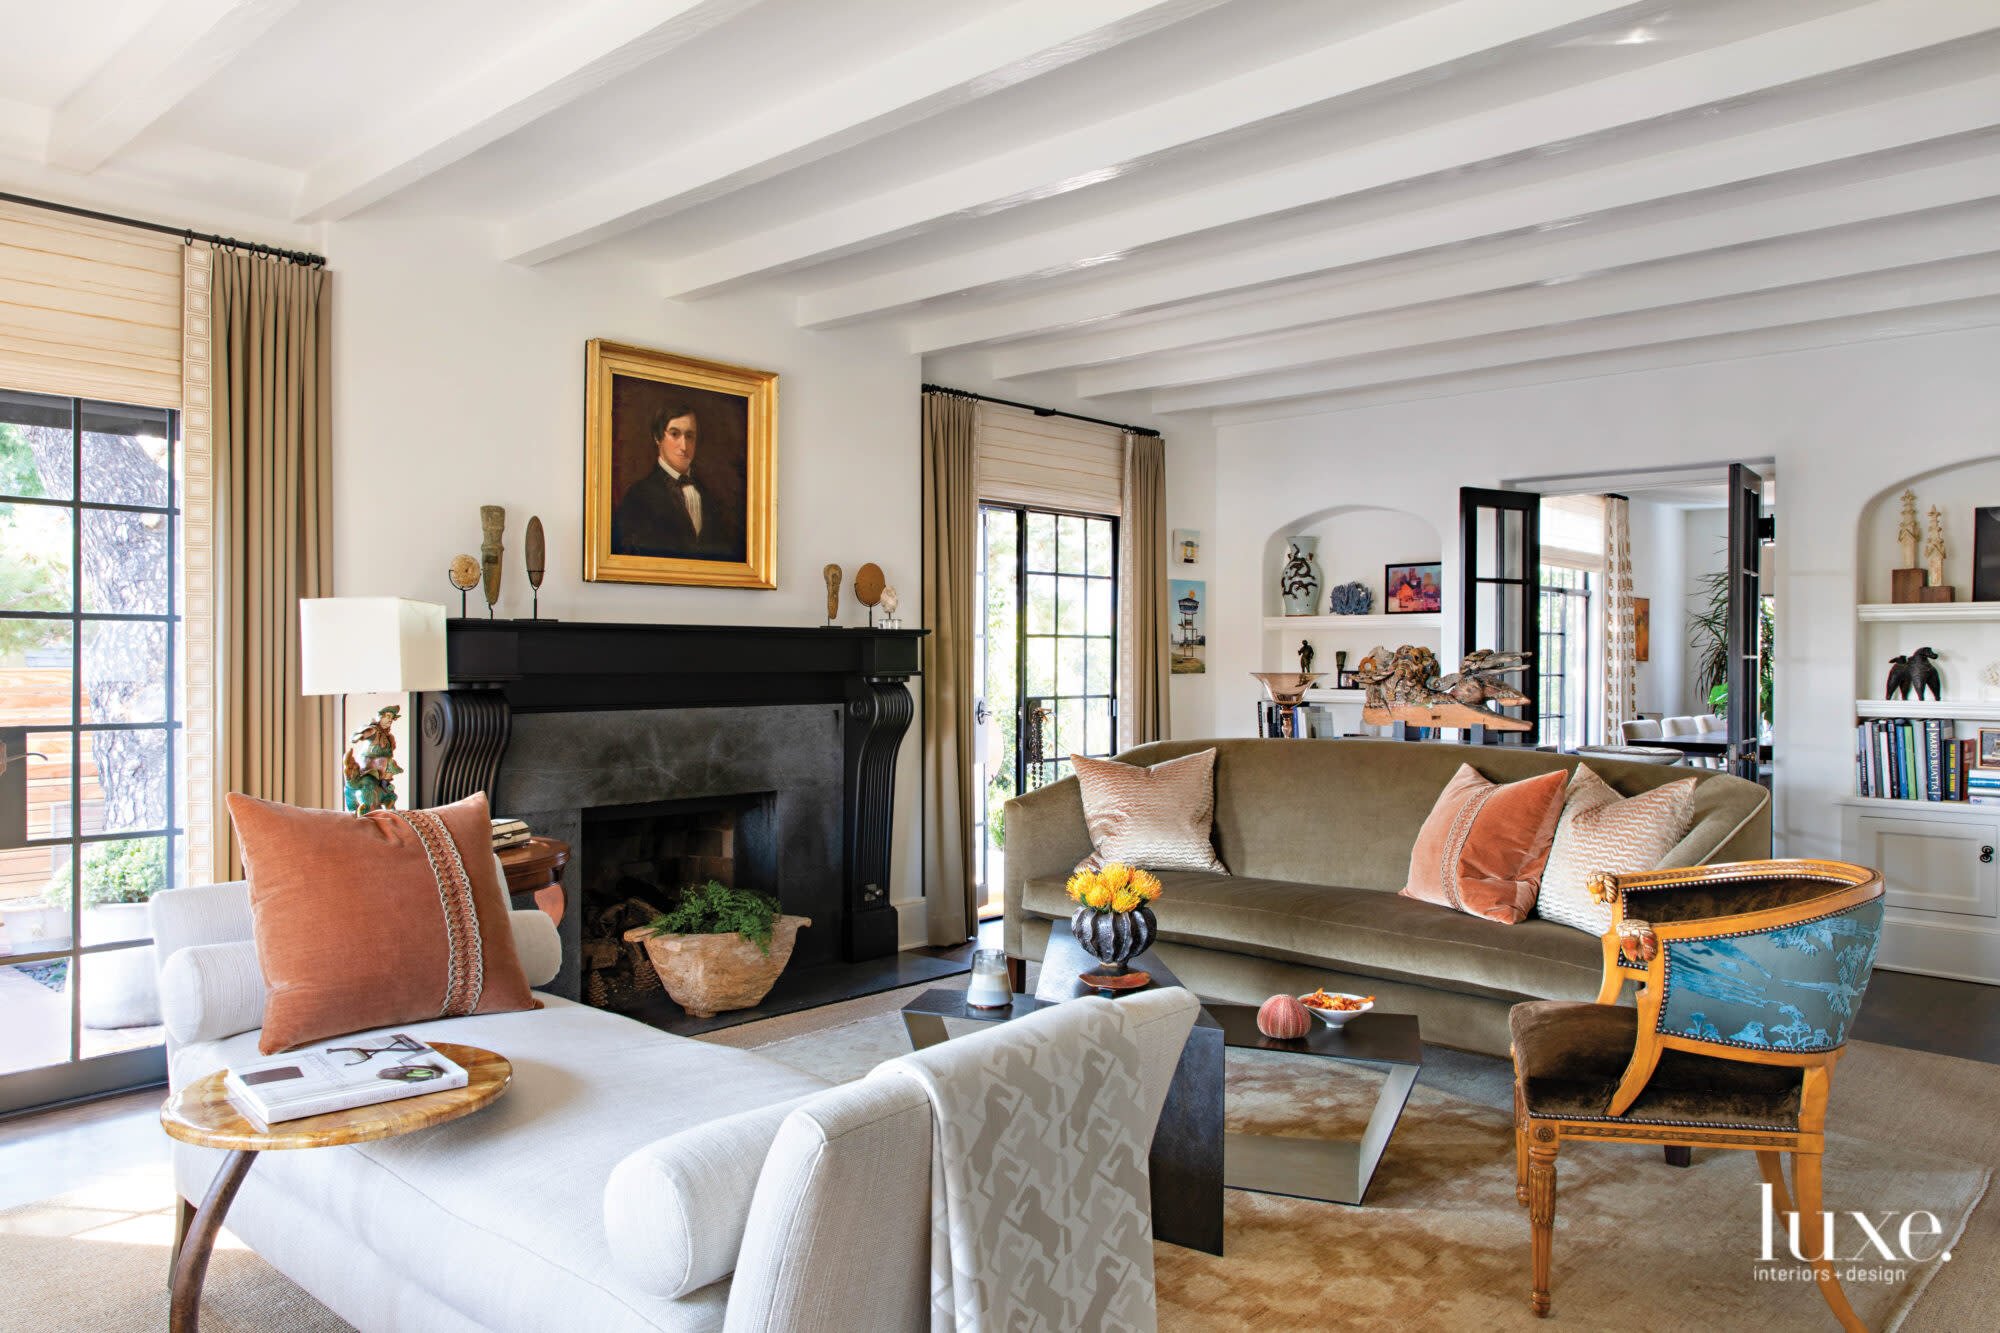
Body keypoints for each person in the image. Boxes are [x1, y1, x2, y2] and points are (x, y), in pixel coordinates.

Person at [611, 401, 744, 560]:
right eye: (675, 434)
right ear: (658, 437)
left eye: (689, 436)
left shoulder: (709, 495)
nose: (684, 446)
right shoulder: (638, 495)